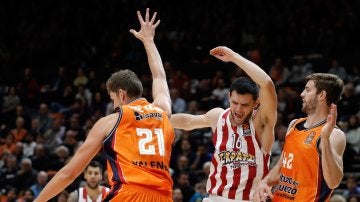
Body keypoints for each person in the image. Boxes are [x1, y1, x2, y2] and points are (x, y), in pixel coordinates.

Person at [34, 8, 174, 202]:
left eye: (113, 98)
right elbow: (160, 76)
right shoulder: (162, 109)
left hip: (128, 195)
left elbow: (69, 173)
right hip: (163, 196)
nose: (114, 104)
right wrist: (149, 41)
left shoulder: (111, 121)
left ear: (121, 94)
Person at [171, 46, 277, 201]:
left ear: (256, 103)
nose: (238, 109)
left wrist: (234, 57)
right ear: (228, 97)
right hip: (215, 198)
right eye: (235, 102)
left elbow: (267, 83)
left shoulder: (261, 123)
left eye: (245, 105)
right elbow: (188, 122)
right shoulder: (218, 116)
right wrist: (154, 116)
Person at [253, 73, 346, 202]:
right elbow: (281, 167)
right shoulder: (294, 124)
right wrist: (265, 182)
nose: (302, 94)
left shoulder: (334, 135)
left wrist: (325, 139)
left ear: (322, 95)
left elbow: (333, 182)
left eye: (307, 90)